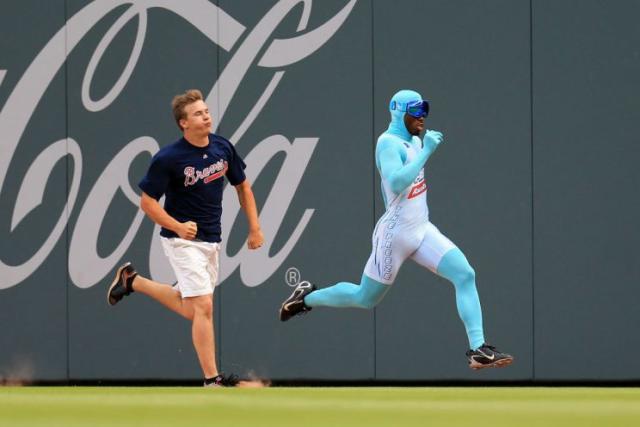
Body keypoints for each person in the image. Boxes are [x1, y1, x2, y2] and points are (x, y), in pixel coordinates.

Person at [279, 89, 513, 370]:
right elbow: (397, 182)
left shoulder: (413, 140)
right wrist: (426, 151)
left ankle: (478, 349)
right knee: (365, 298)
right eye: (416, 112)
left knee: (465, 274)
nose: (422, 118)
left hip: (421, 228)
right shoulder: (388, 143)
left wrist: (422, 148)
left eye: (424, 111)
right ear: (400, 113)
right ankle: (307, 298)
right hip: (395, 235)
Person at [107, 89, 264, 386]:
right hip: (181, 241)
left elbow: (243, 187)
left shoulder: (223, 148)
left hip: (210, 240)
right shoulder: (169, 158)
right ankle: (212, 380)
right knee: (204, 306)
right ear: (183, 123)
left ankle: (132, 280)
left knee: (193, 309)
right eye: (197, 114)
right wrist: (177, 226)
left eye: (206, 111)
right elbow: (148, 202)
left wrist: (254, 228)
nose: (205, 116)